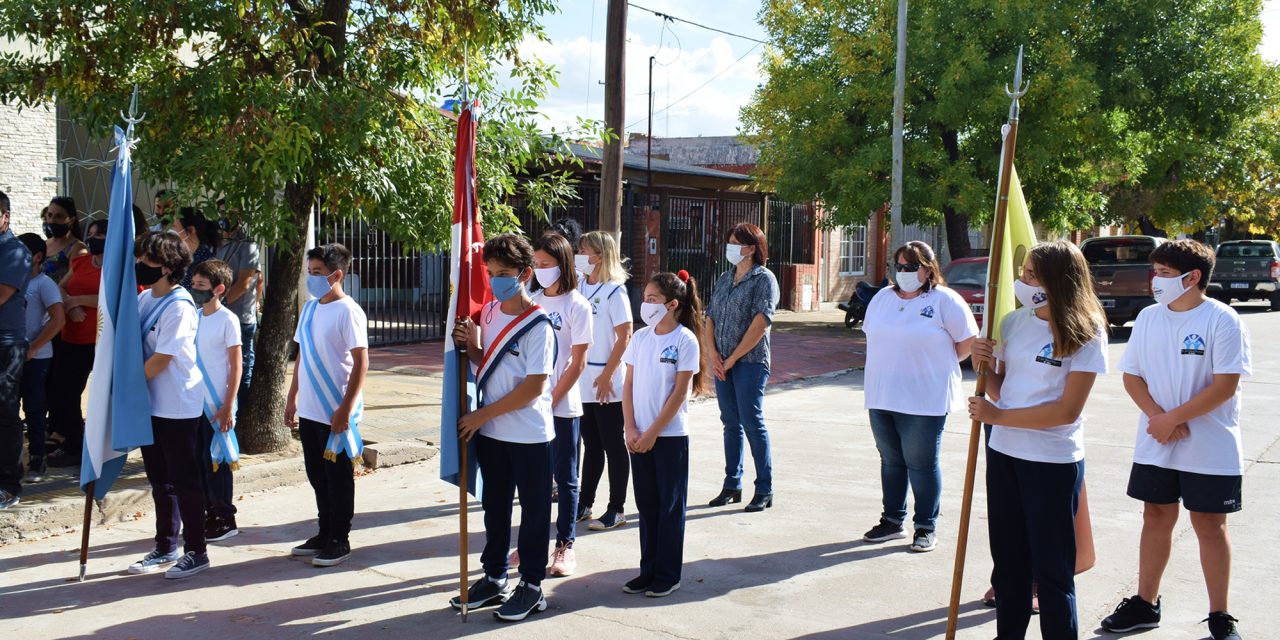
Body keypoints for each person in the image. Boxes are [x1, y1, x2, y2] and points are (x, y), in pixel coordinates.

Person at [1101, 240, 1250, 640]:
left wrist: (1174, 419)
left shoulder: (1222, 319)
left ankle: (1220, 614)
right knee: (1156, 516)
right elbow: (1132, 376)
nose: (1155, 281)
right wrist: (1158, 418)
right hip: (1157, 441)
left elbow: (1225, 385)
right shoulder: (1149, 318)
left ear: (1193, 277)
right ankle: (1145, 604)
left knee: (1209, 524)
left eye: (1164, 273)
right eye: (1156, 272)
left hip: (1209, 447)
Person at [968, 240, 1108, 640]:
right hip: (1005, 453)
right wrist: (983, 365)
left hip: (1051, 461)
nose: (1023, 280)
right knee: (1009, 562)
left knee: (1052, 570)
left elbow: (1067, 411)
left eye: (1032, 274)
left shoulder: (1085, 332)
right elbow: (1003, 389)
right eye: (1024, 272)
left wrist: (1000, 417)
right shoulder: (1015, 322)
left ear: (1059, 281)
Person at [449, 233, 556, 622]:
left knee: (533, 512)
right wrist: (471, 345)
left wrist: (481, 415)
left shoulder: (538, 324)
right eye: (491, 272)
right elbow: (487, 364)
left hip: (528, 434)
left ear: (526, 274)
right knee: (494, 509)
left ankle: (531, 585)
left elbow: (533, 386)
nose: (496, 280)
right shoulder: (491, 312)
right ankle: (494, 576)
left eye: (505, 273)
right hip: (494, 433)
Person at [861, 241, 977, 553]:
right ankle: (892, 521)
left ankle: (925, 526)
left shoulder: (945, 301)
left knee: (921, 464)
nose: (903, 273)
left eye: (911, 267)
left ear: (928, 269)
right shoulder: (882, 299)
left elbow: (967, 343)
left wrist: (936, 364)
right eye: (898, 267)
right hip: (882, 394)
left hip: (925, 399)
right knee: (891, 461)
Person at [127, 231, 210, 579]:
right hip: (152, 403)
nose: (140, 265)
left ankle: (197, 549)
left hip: (177, 404)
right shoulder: (145, 300)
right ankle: (165, 545)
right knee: (160, 479)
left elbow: (162, 359)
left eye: (147, 260)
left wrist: (126, 387)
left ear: (167, 266)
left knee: (184, 480)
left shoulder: (179, 306)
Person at [621, 270, 705, 598]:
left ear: (672, 304)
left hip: (668, 437)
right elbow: (627, 385)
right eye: (645, 299)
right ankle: (648, 570)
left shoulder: (685, 340)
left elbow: (680, 392)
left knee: (669, 506)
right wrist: (630, 426)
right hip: (637, 434)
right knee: (647, 504)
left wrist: (653, 432)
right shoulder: (640, 338)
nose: (647, 305)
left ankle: (668, 574)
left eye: (653, 300)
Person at [285, 243, 369, 568]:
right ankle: (324, 532)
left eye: (318, 273)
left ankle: (340, 538)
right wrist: (291, 396)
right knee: (316, 475)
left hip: (335, 410)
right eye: (310, 272)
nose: (312, 278)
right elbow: (302, 355)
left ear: (337, 274)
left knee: (337, 478)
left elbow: (361, 362)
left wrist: (346, 409)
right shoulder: (309, 309)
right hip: (309, 409)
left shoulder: (349, 311)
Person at [527, 232, 592, 577]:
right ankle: (531, 546)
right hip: (531, 407)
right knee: (535, 481)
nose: (540, 270)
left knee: (566, 480)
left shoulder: (576, 306)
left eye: (546, 264)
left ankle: (565, 546)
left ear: (562, 264)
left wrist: (551, 399)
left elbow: (577, 361)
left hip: (562, 407)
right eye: (536, 264)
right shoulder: (532, 300)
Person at [705, 222, 780, 512]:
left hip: (748, 362)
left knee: (752, 422)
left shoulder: (764, 279)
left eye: (736, 242)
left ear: (751, 248)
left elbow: (761, 323)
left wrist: (733, 357)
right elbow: (710, 316)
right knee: (730, 423)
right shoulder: (726, 277)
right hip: (722, 361)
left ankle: (764, 488)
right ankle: (731, 484)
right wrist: (713, 354)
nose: (731, 247)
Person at [577, 231, 634, 532]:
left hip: (607, 380)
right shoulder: (578, 287)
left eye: (583, 249)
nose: (579, 254)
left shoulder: (615, 291)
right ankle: (585, 503)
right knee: (591, 442)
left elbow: (625, 335)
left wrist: (608, 373)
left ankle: (617, 508)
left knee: (613, 442)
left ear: (599, 255)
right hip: (583, 379)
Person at [45, 219, 107, 468]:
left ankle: (88, 447)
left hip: (97, 341)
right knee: (61, 393)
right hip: (71, 336)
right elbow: (59, 286)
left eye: (99, 235)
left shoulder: (118, 267)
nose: (92, 238)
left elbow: (115, 298)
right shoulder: (80, 261)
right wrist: (70, 304)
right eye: (90, 233)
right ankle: (72, 442)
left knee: (90, 396)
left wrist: (78, 300)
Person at [190, 260, 243, 543]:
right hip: (192, 404)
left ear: (218, 289)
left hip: (217, 405)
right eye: (194, 284)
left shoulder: (228, 320)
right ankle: (207, 513)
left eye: (201, 286)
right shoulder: (194, 316)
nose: (195, 289)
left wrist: (227, 405)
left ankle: (225, 517)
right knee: (198, 463)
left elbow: (236, 366)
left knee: (217, 463)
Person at [18, 233, 66, 483]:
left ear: (36, 256)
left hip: (36, 359)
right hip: (12, 356)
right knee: (8, 411)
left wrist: (34, 347)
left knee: (35, 409)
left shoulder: (44, 284)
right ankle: (13, 461)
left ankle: (37, 460)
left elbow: (58, 320)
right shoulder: (12, 280)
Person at [0, 193, 33, 510]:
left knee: (5, 414)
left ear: (5, 216)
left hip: (5, 345)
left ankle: (9, 484)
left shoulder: (13, 251)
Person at [213, 209, 260, 417]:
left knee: (242, 366)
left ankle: (241, 415)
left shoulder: (248, 246)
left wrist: (219, 302)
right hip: (221, 315)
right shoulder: (220, 245)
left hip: (241, 317)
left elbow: (246, 282)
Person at [40, 196, 86, 284]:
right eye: (49, 215)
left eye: (59, 216)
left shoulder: (77, 248)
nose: (52, 220)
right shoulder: (43, 243)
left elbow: (72, 282)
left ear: (71, 220)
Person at [172, 207, 217, 289]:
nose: (172, 230)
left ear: (191, 230)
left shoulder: (208, 264)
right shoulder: (178, 257)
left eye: (174, 226)